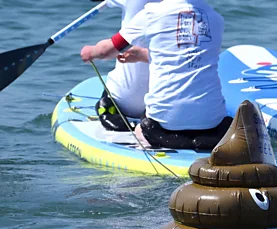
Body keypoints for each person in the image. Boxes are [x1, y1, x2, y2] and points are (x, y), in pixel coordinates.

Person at [80, 0, 232, 150]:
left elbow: (106, 51)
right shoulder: (215, 19)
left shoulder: (150, 14)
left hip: (162, 127)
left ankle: (151, 138)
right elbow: (187, 58)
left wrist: (90, 52)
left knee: (140, 128)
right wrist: (141, 55)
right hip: (212, 126)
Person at [89, 0, 157, 132]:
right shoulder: (199, 9)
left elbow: (104, 52)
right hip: (167, 106)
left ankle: (108, 107)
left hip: (127, 102)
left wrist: (90, 52)